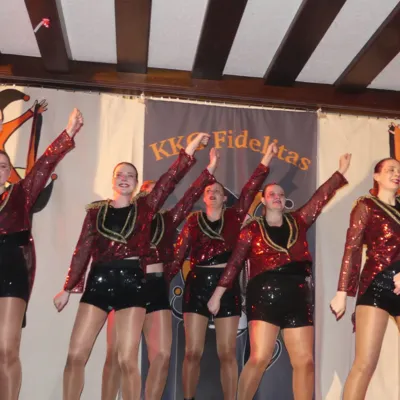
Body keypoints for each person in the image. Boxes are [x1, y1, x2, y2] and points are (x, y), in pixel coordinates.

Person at [53, 133, 210, 400]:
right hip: (99, 281)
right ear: (113, 180)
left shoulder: (145, 209)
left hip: (132, 283)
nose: (124, 178)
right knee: (75, 355)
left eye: (130, 175)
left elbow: (169, 179)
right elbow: (82, 249)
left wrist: (191, 148)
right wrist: (67, 288)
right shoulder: (96, 212)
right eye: (120, 174)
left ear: (136, 184)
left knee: (127, 359)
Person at [208, 153, 351, 400]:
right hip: (264, 296)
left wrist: (340, 172)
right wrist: (218, 294)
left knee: (305, 361)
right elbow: (235, 263)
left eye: (281, 194)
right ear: (263, 200)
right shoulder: (252, 229)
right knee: (259, 357)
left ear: (285, 201)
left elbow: (320, 198)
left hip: (298, 296)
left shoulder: (299, 220)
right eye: (272, 194)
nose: (277, 197)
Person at [101, 148, 220, 400]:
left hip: (156, 288)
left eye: (158, 191)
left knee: (163, 355)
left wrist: (210, 169)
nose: (153, 195)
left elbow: (189, 197)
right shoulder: (126, 218)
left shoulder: (168, 219)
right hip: (126, 286)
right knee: (116, 354)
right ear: (139, 194)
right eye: (147, 190)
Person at [165, 143, 277, 400]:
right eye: (208, 191)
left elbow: (250, 190)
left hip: (226, 285)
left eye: (218, 190)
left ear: (225, 197)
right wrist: (160, 282)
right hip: (196, 283)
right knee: (192, 352)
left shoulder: (235, 217)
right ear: (203, 198)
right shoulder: (193, 221)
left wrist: (266, 159)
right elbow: (178, 255)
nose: (213, 193)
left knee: (227, 352)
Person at [0, 108, 83, 400]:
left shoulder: (21, 193)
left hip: (11, 271)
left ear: (8, 171)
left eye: (3, 165)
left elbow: (45, 164)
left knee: (7, 349)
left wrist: (69, 132)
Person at [330, 157, 400, 400]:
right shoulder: (366, 205)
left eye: (399, 170)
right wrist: (342, 292)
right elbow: (352, 248)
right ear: (377, 176)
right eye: (391, 169)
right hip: (376, 284)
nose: (397, 173)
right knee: (364, 364)